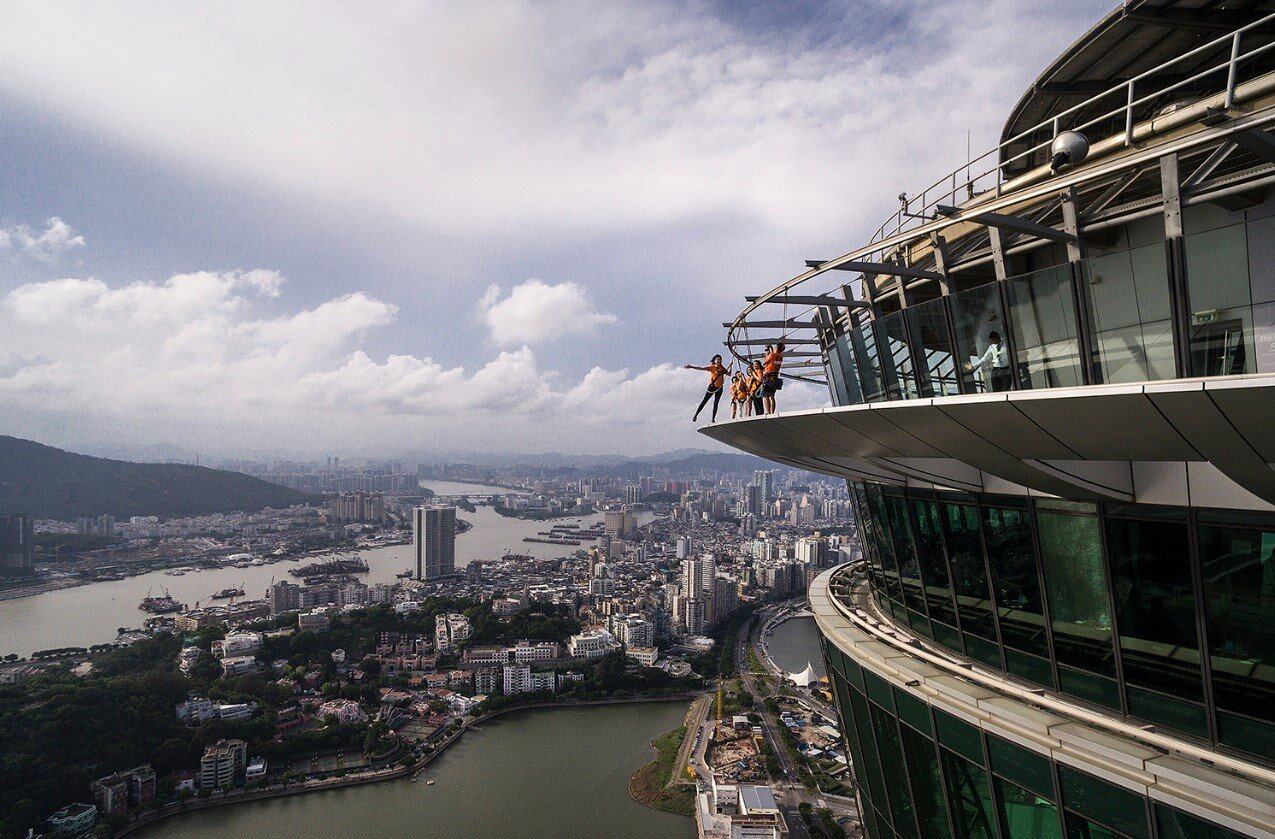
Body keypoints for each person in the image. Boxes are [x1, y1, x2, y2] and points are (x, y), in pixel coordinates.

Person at [685, 354, 728, 423]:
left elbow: (728, 374)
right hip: (712, 387)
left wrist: (729, 368)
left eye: (720, 359)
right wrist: (691, 366)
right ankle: (695, 415)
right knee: (704, 401)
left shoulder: (722, 368)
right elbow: (701, 368)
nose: (719, 361)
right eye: (717, 359)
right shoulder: (712, 367)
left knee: (716, 403)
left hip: (719, 387)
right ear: (715, 360)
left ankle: (713, 418)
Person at [762, 340, 785, 414]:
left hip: (769, 376)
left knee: (765, 395)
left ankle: (768, 412)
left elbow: (764, 363)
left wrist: (767, 354)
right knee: (772, 396)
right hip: (775, 376)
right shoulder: (780, 357)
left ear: (776, 348)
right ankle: (772, 412)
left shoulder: (772, 355)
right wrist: (770, 349)